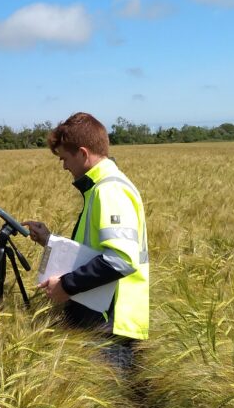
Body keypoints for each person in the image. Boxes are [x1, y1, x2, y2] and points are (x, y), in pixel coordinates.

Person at [23, 112, 149, 370]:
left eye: (64, 158)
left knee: (113, 401)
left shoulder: (109, 190)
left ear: (82, 153)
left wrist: (66, 285)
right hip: (103, 314)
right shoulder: (100, 187)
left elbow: (120, 260)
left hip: (107, 320)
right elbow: (94, 250)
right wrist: (50, 241)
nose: (64, 166)